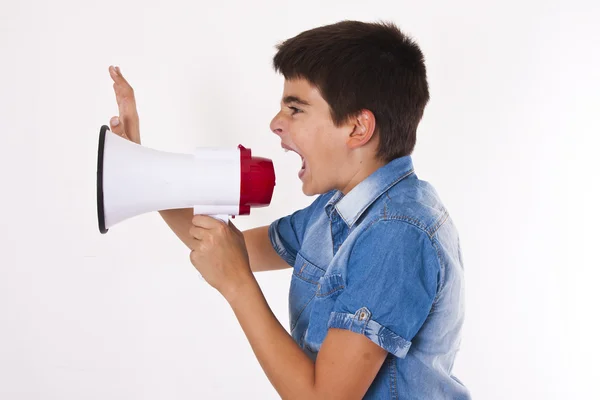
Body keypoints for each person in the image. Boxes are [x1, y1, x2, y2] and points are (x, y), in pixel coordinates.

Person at [108, 19, 470, 400]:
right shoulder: (335, 210)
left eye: (295, 109)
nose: (275, 124)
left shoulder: (397, 233)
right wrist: (144, 175)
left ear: (357, 128)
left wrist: (238, 286)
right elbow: (217, 245)